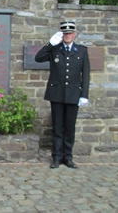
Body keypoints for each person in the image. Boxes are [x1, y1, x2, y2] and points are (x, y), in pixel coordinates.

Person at [35, 21, 90, 169]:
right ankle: (56, 158)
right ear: (61, 35)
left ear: (74, 34)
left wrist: (84, 94)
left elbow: (86, 74)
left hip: (73, 93)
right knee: (57, 127)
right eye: (65, 33)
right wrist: (50, 44)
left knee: (70, 128)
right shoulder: (54, 49)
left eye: (70, 33)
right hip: (57, 93)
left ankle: (68, 157)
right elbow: (38, 58)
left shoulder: (82, 51)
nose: (67, 36)